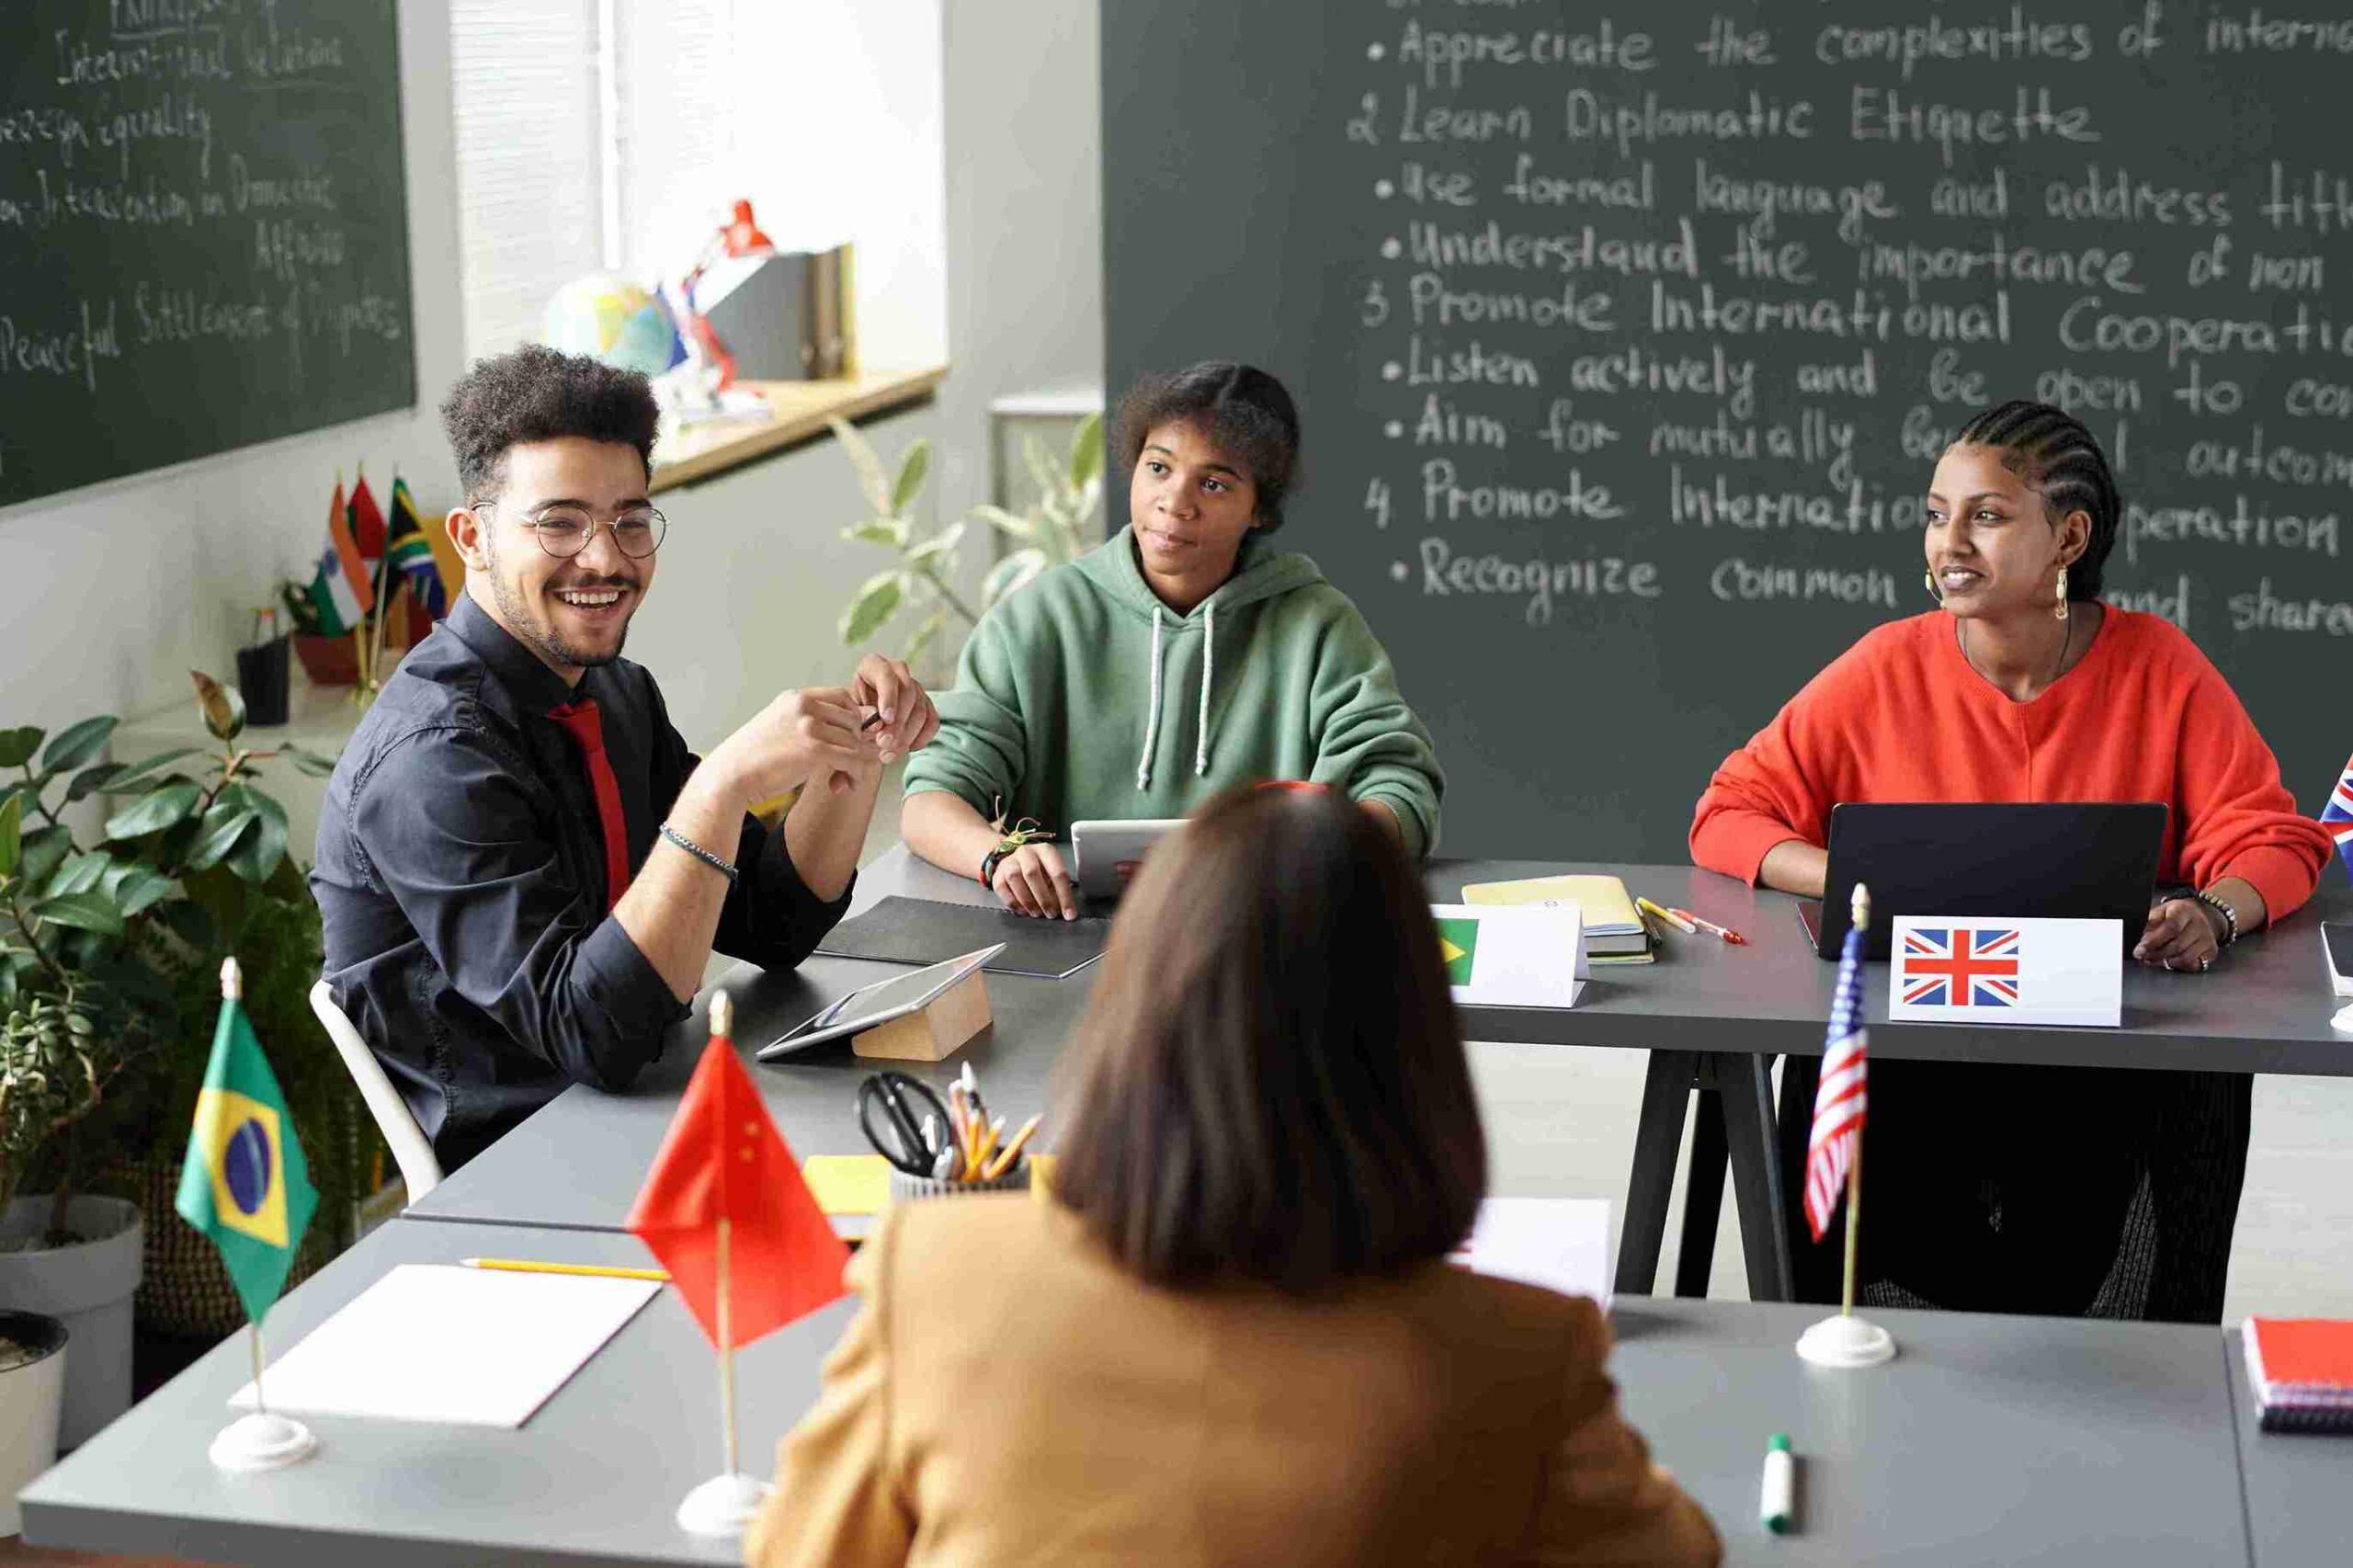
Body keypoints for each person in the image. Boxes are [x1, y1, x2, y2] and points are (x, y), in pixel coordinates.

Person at [747, 788, 1720, 1567]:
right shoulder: (1521, 1356)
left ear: (1131, 1014)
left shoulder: (931, 1275)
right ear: (1416, 1042)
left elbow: (801, 1549)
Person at [1690, 399, 2333, 1321]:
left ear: (2068, 536)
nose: (1948, 540)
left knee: (2117, 1181)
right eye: (1934, 512)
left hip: (2095, 1068)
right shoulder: (1884, 664)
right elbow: (1727, 811)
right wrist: (1847, 877)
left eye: (1985, 515)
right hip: (1918, 1055)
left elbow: (2270, 836)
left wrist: (2215, 911)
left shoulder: (2159, 665)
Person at [312, 347, 939, 1171]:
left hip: (659, 1112)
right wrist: (719, 786)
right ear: (472, 538)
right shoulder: (432, 761)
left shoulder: (615, 695)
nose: (606, 559)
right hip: (526, 1176)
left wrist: (852, 761)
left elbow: (776, 923)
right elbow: (595, 1037)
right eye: (560, 523)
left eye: (630, 522)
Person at [901, 360, 1443, 918]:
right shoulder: (1034, 619)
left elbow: (1397, 784)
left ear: (1259, 509)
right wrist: (998, 856)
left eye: (1213, 483)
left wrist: (1325, 853)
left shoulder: (1318, 624)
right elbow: (930, 799)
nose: (1175, 502)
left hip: (1263, 932)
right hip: (1064, 930)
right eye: (1158, 467)